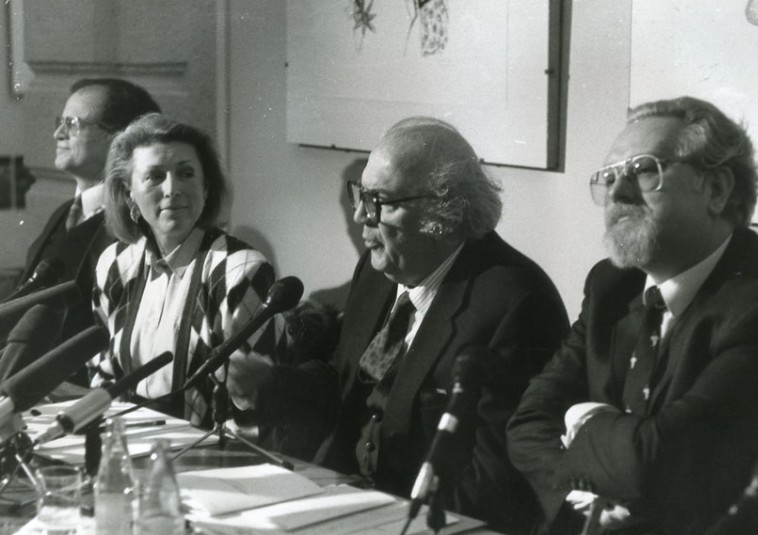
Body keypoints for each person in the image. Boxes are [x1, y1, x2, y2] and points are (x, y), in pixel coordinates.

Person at [257, 117, 569, 534]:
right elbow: (353, 383)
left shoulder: (517, 302)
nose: (359, 215)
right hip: (341, 504)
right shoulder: (379, 271)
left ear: (442, 211)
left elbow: (499, 480)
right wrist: (268, 384)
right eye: (359, 195)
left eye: (379, 200)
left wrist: (386, 520)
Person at [506, 96, 758, 535]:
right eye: (608, 177)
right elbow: (527, 425)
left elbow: (661, 463)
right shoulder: (611, 285)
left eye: (643, 170)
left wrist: (583, 419)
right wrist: (581, 497)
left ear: (716, 190)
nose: (617, 193)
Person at [92, 113, 285, 427]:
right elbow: (104, 376)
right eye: (154, 176)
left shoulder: (239, 271)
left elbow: (254, 416)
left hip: (206, 458)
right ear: (129, 193)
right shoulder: (114, 265)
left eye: (186, 174)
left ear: (206, 188)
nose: (173, 189)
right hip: (125, 447)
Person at [15, 79, 160, 383]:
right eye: (60, 122)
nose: (58, 133)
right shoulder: (63, 214)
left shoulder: (135, 226)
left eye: (73, 123)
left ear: (119, 139)